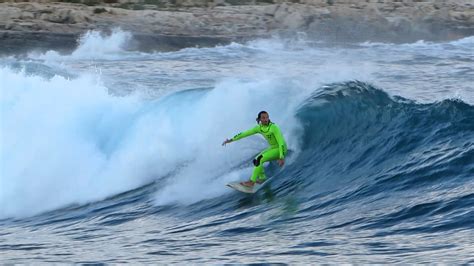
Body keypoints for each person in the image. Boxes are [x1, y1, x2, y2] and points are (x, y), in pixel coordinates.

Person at [222, 111, 287, 187]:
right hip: (273, 148)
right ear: (260, 119)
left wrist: (281, 157)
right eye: (263, 118)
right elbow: (244, 134)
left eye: (267, 117)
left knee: (260, 159)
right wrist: (231, 140)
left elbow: (281, 142)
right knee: (256, 160)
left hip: (280, 149)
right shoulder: (259, 128)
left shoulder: (274, 127)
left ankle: (251, 182)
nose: (266, 119)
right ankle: (262, 177)